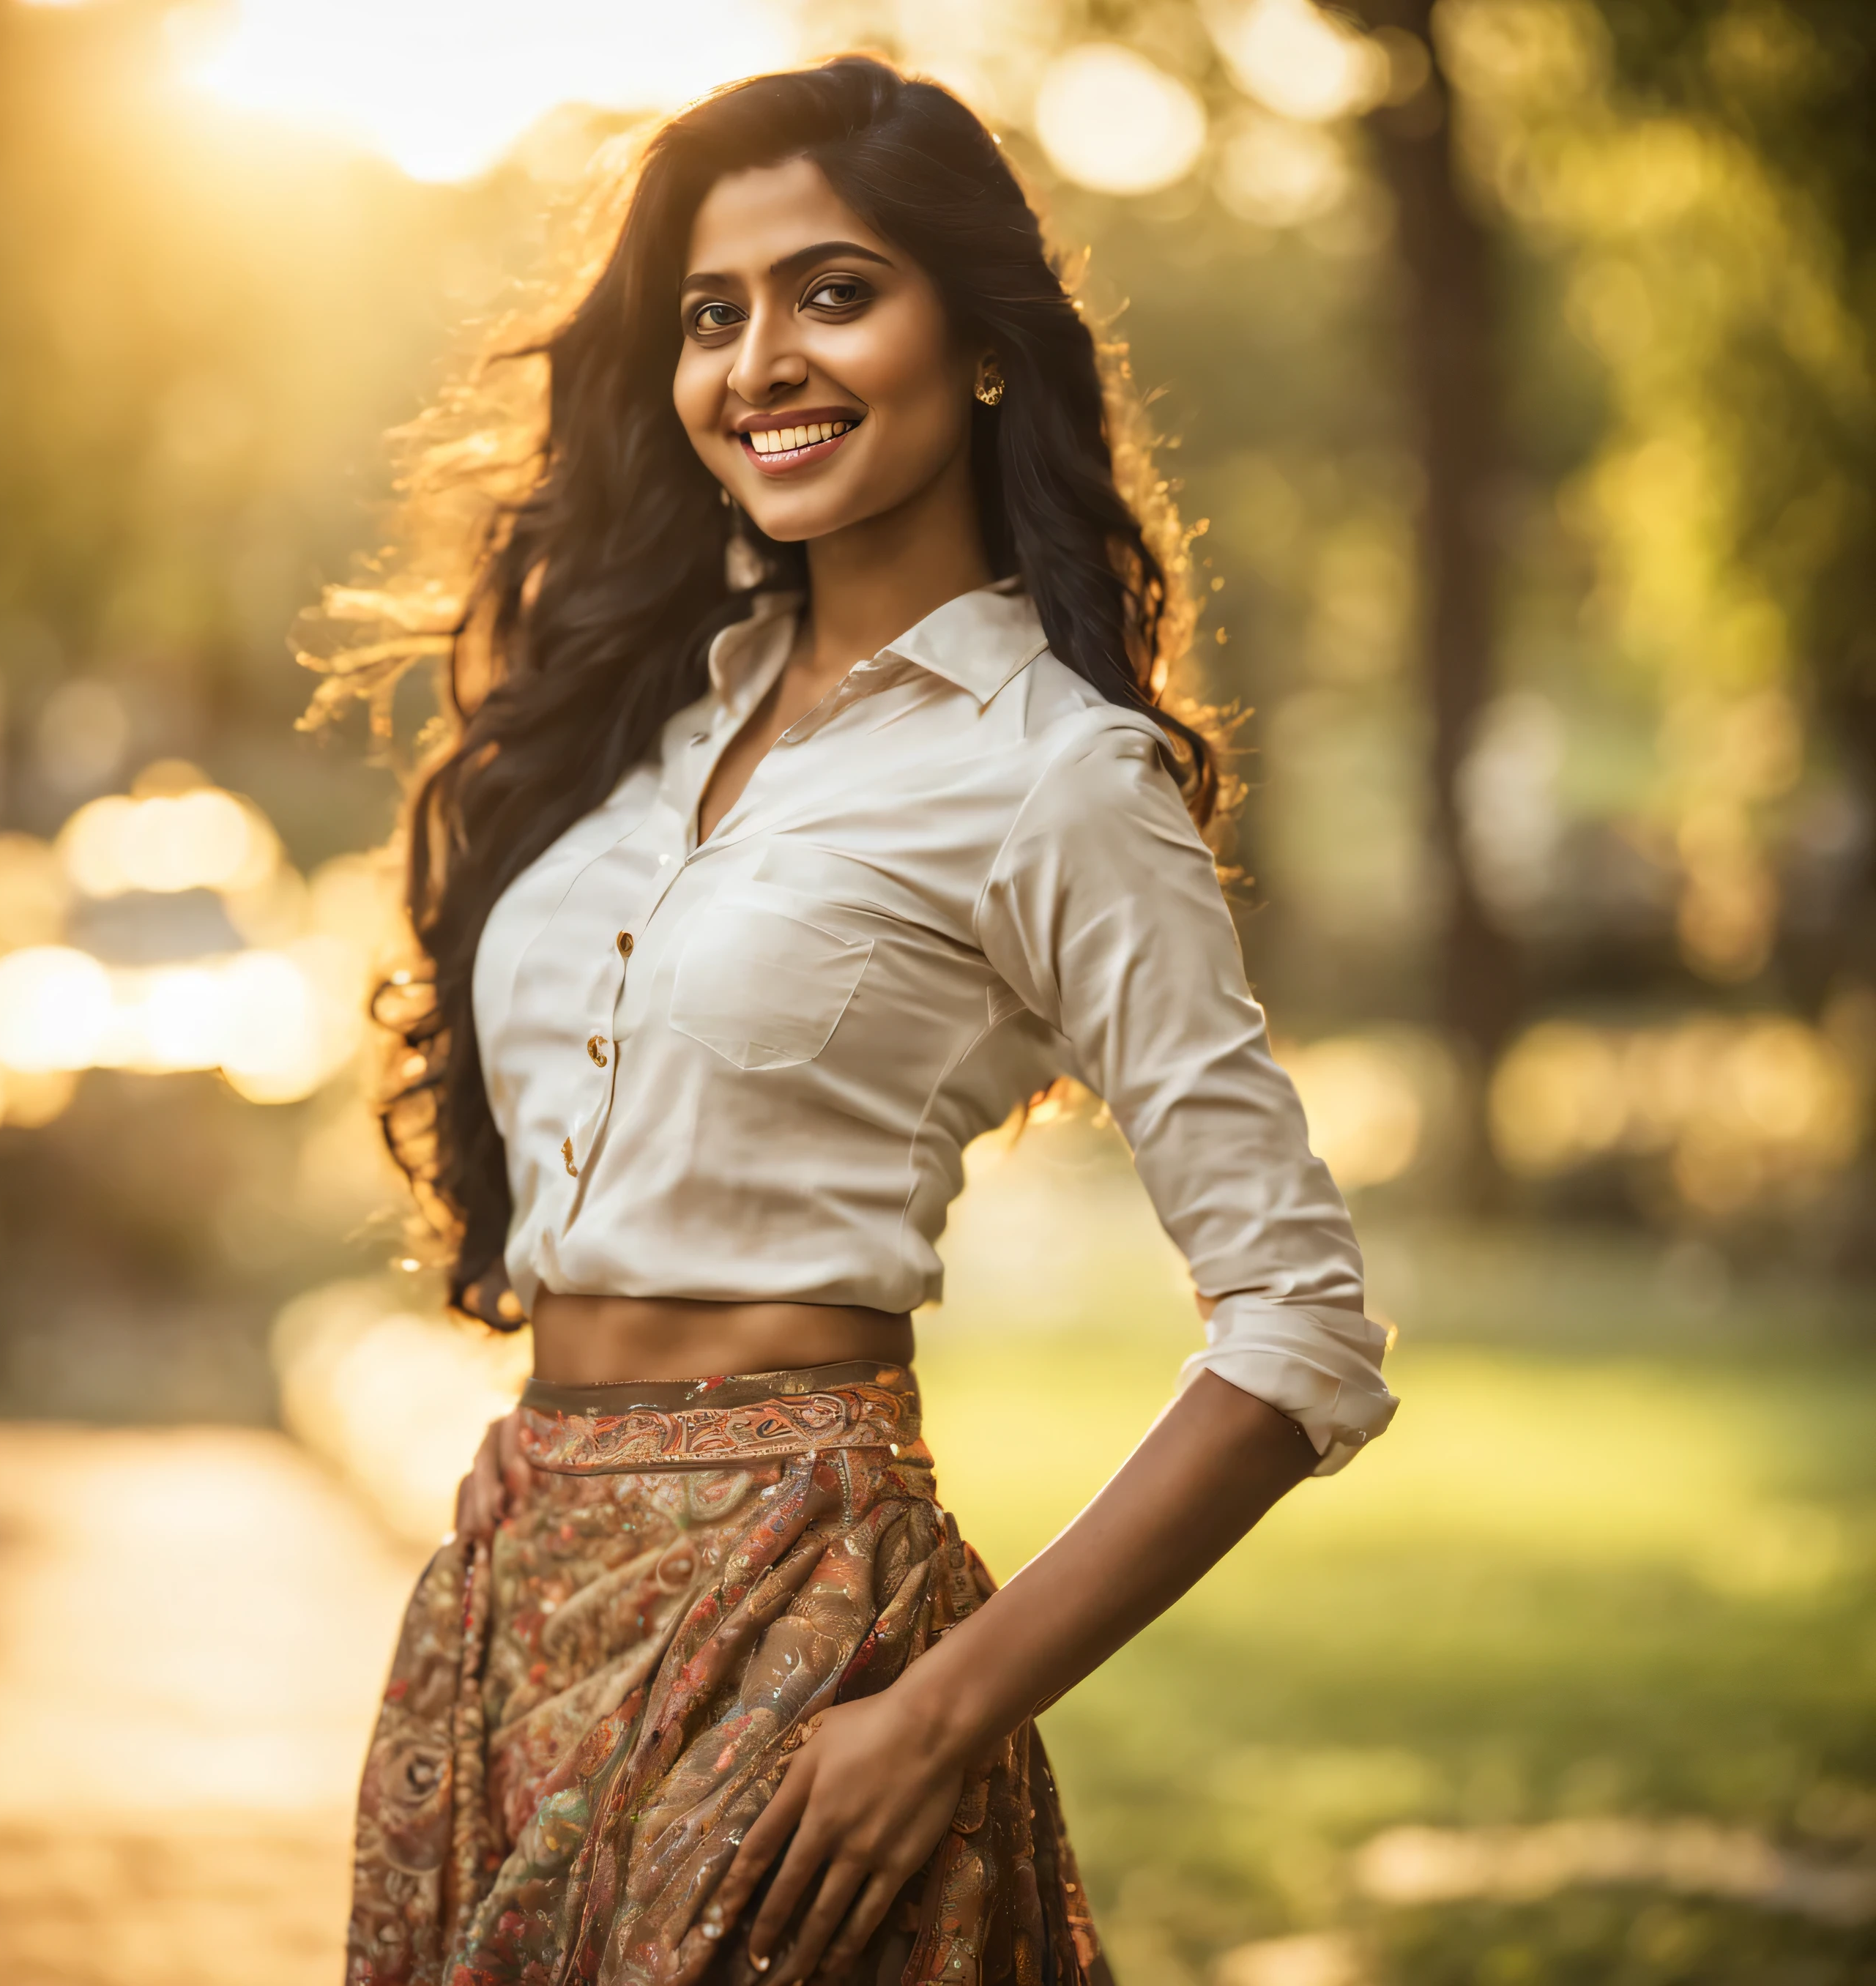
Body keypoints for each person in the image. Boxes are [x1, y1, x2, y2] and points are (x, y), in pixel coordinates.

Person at [325, 54, 1396, 1986]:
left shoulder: (1053, 773)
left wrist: (942, 1711)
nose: (760, 363)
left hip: (796, 1631)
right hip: (506, 1602)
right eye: (712, 316)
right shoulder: (642, 729)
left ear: (978, 335)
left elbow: (1302, 1327)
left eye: (834, 291)